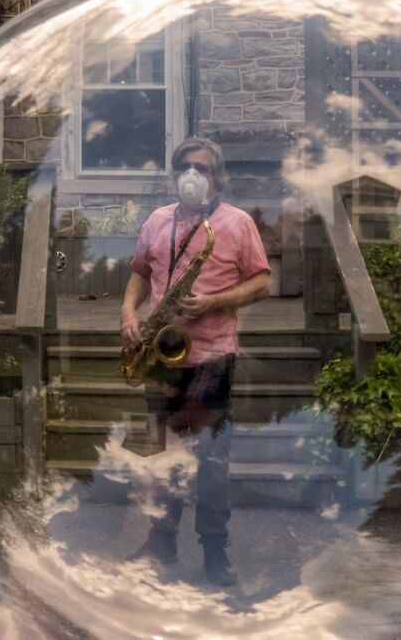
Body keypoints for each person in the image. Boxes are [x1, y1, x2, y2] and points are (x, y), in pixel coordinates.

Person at [120, 136, 271, 586]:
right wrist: (129, 311)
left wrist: (213, 302)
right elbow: (140, 273)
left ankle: (214, 552)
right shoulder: (157, 219)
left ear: (218, 177)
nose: (193, 175)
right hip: (162, 359)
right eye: (186, 167)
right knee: (160, 457)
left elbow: (261, 283)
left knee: (211, 462)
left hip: (212, 359)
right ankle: (160, 543)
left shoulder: (238, 222)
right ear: (173, 174)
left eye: (202, 169)